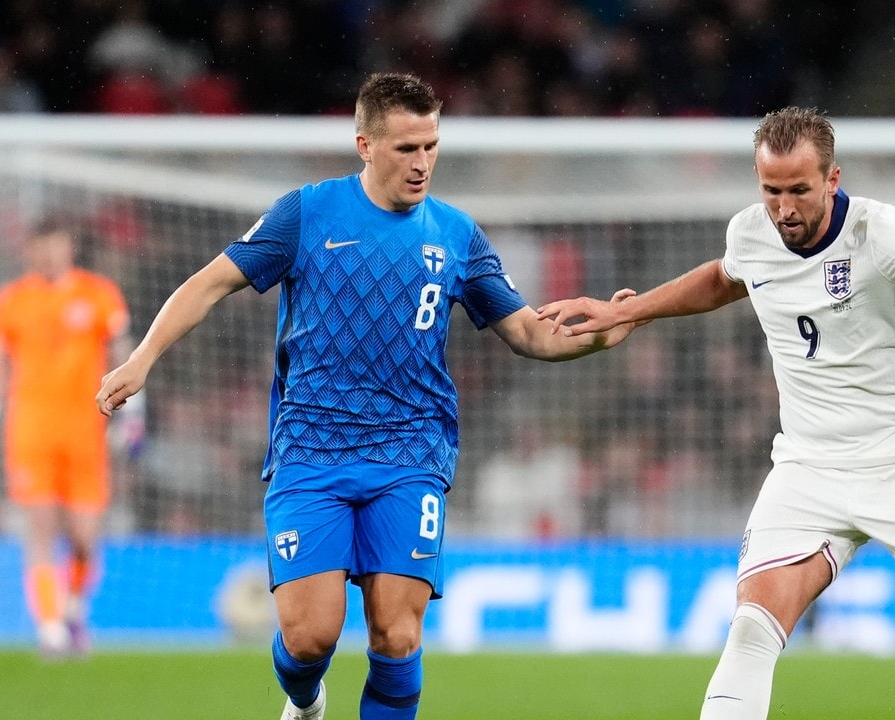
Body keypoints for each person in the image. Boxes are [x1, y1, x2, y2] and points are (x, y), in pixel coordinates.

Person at [94, 72, 634, 720]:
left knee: (397, 636)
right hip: (310, 453)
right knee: (310, 636)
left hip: (411, 453)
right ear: (365, 145)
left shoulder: (457, 234)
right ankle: (305, 701)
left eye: (431, 145)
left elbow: (527, 333)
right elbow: (210, 284)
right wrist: (143, 356)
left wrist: (599, 339)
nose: (422, 162)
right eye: (407, 147)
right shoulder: (308, 212)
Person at [537, 107, 895, 719]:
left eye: (799, 190)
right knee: (750, 630)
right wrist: (627, 313)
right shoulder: (751, 231)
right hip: (807, 468)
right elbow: (724, 277)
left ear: (832, 178)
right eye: (771, 191)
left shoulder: (881, 232)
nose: (785, 208)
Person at [0, 219, 139, 657]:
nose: (48, 255)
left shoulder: (99, 295)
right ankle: (49, 630)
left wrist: (132, 413)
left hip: (86, 432)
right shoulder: (13, 300)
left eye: (55, 245)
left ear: (70, 246)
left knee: (84, 537)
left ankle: (74, 608)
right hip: (29, 432)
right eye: (40, 247)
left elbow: (123, 353)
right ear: (30, 251)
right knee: (39, 530)